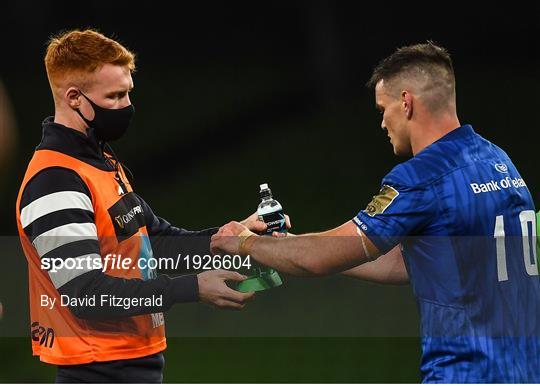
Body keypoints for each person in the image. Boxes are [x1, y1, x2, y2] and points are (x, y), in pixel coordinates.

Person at [210, 42, 540, 383]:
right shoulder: (498, 161)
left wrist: (245, 242)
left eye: (383, 109)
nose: (382, 122)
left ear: (407, 102)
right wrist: (289, 245)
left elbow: (319, 258)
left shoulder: (422, 177)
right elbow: (412, 258)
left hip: (464, 372)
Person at [15, 29, 270, 383]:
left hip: (133, 363)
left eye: (128, 93)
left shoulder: (100, 161)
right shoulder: (54, 180)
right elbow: (85, 293)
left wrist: (231, 239)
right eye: (115, 96)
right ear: (74, 98)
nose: (126, 106)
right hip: (97, 370)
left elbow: (152, 241)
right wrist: (192, 287)